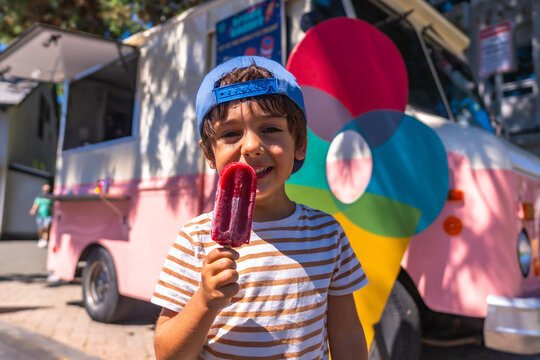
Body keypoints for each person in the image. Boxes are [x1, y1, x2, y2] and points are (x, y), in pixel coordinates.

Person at [151, 56, 369, 359]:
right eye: (230, 134)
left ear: (300, 144)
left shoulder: (327, 234)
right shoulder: (196, 239)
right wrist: (204, 300)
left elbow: (346, 333)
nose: (252, 145)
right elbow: (166, 353)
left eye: (270, 129)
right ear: (209, 155)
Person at [29, 183, 53, 248]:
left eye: (47, 188)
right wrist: (33, 209)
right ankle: (41, 239)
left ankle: (45, 241)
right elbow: (36, 204)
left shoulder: (51, 197)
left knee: (46, 227)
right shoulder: (39, 197)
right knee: (40, 229)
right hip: (40, 215)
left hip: (48, 215)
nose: (46, 189)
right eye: (45, 188)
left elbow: (53, 206)